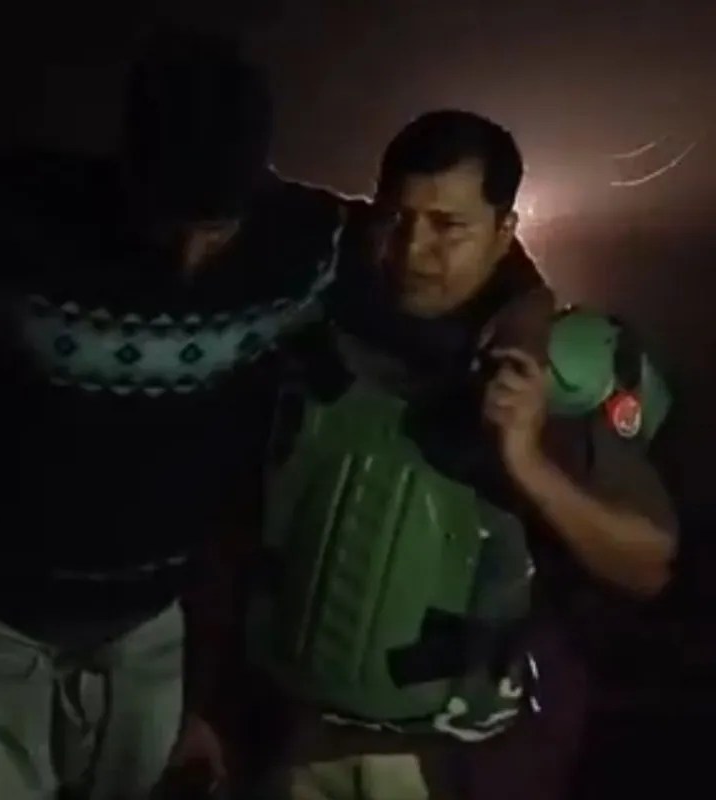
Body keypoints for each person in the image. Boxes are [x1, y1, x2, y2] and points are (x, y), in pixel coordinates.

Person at [0, 30, 346, 800]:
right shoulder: (10, 207)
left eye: (216, 231)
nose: (188, 257)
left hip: (146, 634)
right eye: (169, 222)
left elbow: (446, 250)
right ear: (126, 173)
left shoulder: (298, 244)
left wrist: (525, 314)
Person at [246, 110, 678, 800]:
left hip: (451, 759)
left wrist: (527, 461)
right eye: (399, 219)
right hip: (294, 739)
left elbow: (647, 566)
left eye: (449, 227)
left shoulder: (551, 370)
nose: (416, 249)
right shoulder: (316, 315)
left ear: (504, 232)